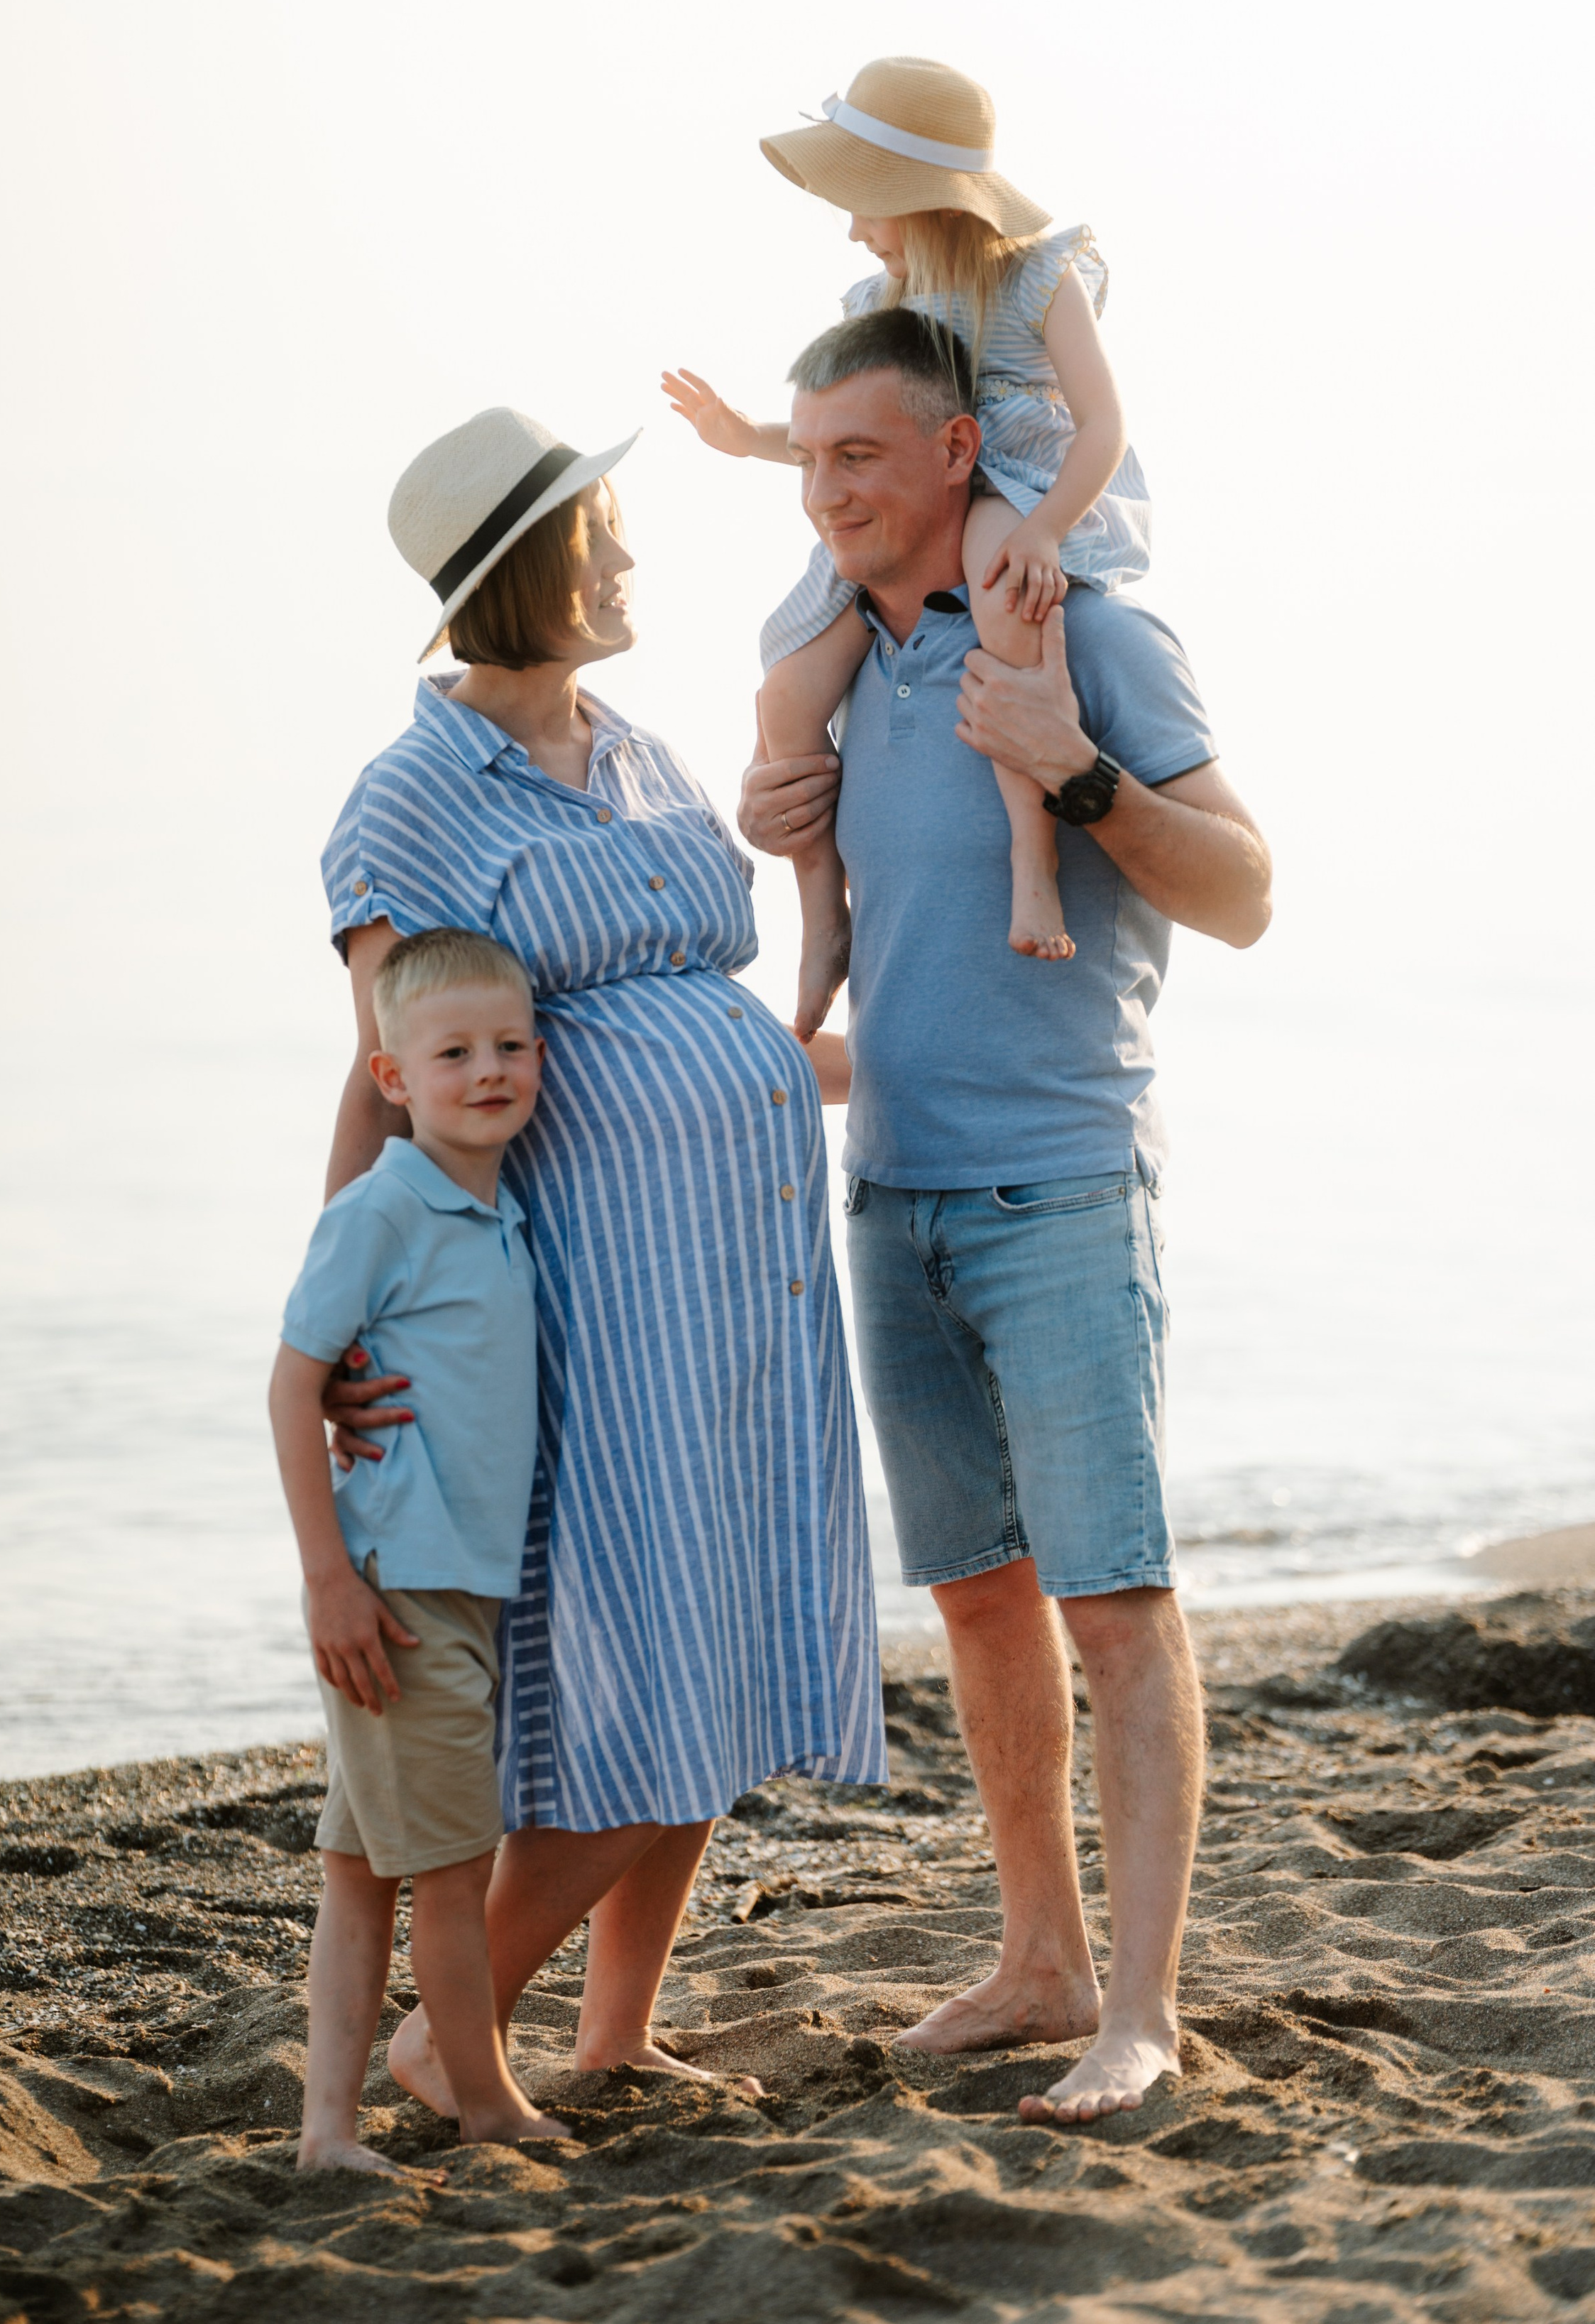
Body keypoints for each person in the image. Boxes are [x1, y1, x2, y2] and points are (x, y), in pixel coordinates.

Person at [316, 405, 884, 2122]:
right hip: (595, 1300)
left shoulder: (629, 744)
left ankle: (616, 2027)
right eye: (603, 538)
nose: (631, 562)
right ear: (525, 573)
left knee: (725, 1636)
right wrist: (340, 1319)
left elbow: (694, 1002)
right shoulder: (410, 797)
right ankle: (445, 2035)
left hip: (754, 1287)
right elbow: (381, 1062)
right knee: (646, 1660)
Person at [738, 307, 1273, 2125]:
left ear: (954, 455)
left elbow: (1248, 893)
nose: (822, 491)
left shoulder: (1088, 631)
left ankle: (1139, 2009)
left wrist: (1075, 766)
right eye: (807, 457)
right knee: (979, 1602)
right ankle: (1036, 1951)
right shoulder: (833, 666)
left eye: (857, 456)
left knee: (1113, 1604)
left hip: (1059, 1192)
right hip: (888, 1198)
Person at [665, 53, 1151, 1033]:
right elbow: (839, 434)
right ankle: (822, 920)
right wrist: (742, 436)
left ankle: (1031, 855)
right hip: (910, 502)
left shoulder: (1040, 280)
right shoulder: (872, 307)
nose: (852, 228)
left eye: (864, 204)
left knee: (1001, 587)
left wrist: (1050, 527)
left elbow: (1104, 425)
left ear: (919, 199)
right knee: (785, 688)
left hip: (1008, 485)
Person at [268, 926, 566, 2168]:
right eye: (453, 1052)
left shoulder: (498, 1209)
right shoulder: (384, 1205)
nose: (487, 1069)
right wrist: (330, 1578)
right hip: (397, 1594)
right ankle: (487, 2101)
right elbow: (293, 1387)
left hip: (459, 1587)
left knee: (359, 1872)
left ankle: (326, 2130)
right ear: (394, 1078)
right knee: (452, 1868)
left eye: (509, 1045)